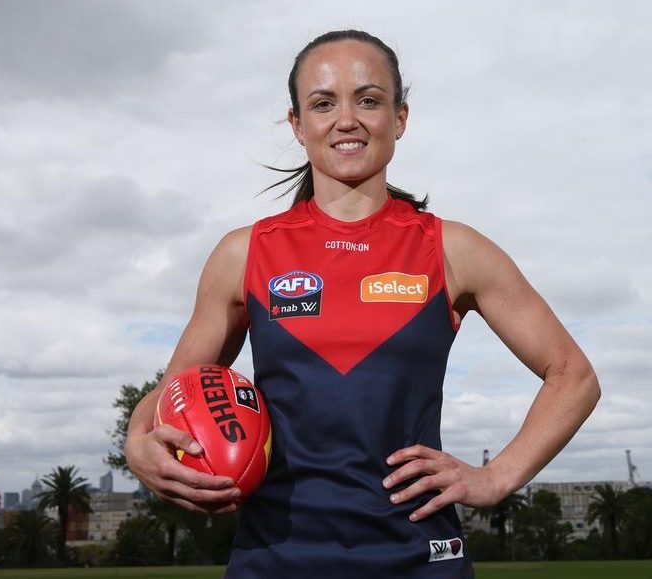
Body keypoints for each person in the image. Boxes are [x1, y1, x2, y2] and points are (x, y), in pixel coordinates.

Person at [125, 29, 600, 578]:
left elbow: (573, 375)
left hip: (420, 559)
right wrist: (138, 444)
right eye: (323, 103)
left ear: (399, 118)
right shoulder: (244, 253)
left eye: (368, 100)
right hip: (275, 559)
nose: (346, 120)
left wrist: (495, 477)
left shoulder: (453, 249)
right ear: (297, 124)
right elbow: (172, 392)